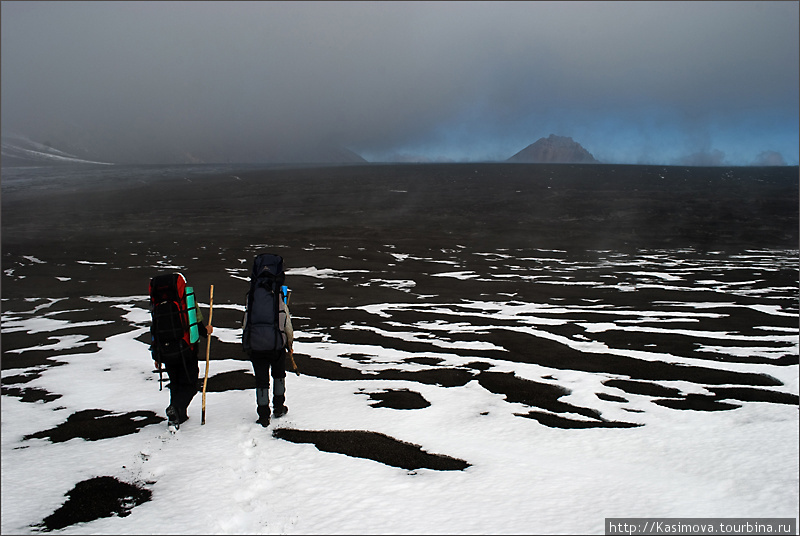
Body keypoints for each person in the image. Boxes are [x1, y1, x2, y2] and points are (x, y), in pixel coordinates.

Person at [150, 275, 213, 431]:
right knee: (190, 384)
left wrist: (156, 355)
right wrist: (206, 331)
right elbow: (195, 321)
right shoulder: (187, 299)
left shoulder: (157, 304)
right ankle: (176, 407)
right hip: (186, 349)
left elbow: (154, 328)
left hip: (165, 350)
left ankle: (179, 416)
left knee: (176, 383)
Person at [242, 254, 293, 427]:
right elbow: (285, 322)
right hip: (275, 344)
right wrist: (289, 343)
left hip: (256, 344)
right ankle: (279, 407)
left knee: (261, 379)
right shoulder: (278, 295)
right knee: (278, 374)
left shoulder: (252, 295)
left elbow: (246, 321)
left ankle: (263, 415)